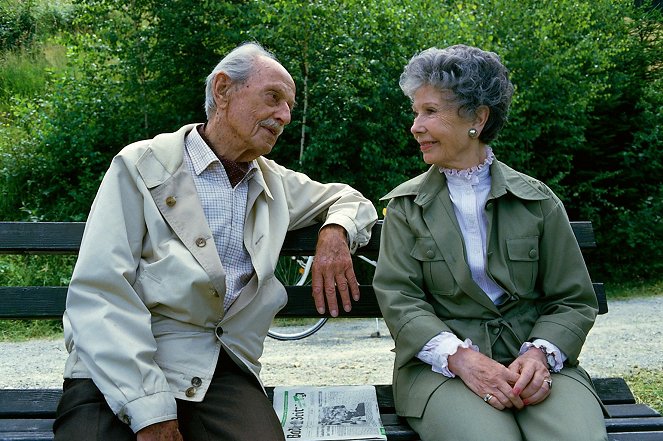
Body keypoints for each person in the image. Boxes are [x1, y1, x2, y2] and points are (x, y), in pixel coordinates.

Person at [53, 42, 377, 441]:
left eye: (289, 106)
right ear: (223, 90)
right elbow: (101, 292)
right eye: (273, 98)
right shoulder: (141, 164)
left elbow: (353, 201)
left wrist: (335, 232)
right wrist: (150, 410)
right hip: (119, 360)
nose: (285, 116)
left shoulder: (273, 182)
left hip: (220, 366)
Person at [373, 44, 607, 441]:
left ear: (477, 119)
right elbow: (400, 299)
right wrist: (462, 359)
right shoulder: (406, 207)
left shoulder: (537, 201)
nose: (415, 126)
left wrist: (539, 354)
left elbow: (572, 299)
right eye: (416, 112)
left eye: (430, 111)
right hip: (441, 369)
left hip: (533, 364)